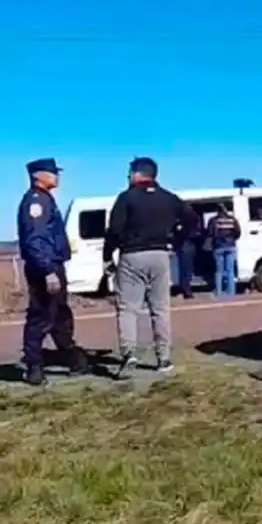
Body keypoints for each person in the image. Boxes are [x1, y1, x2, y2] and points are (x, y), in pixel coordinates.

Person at [103, 156, 199, 380]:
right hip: (160, 254)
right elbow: (192, 220)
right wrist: (176, 239)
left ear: (138, 174)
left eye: (129, 172)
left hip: (132, 255)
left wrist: (108, 256)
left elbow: (114, 230)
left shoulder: (126, 198)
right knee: (160, 309)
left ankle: (129, 355)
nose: (127, 177)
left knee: (128, 308)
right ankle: (163, 358)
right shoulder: (169, 198)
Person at [16, 158, 90, 385]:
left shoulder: (46, 200)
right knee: (41, 317)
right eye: (52, 173)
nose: (57, 177)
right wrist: (48, 270)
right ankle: (34, 366)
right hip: (44, 267)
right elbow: (35, 240)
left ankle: (74, 358)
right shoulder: (36, 203)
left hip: (52, 263)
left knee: (59, 315)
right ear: (39, 175)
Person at [207, 204, 241, 296]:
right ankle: (231, 292)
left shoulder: (214, 220)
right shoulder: (232, 219)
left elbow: (210, 233)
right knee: (230, 271)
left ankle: (218, 292)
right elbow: (238, 232)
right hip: (231, 246)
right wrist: (232, 239)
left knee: (219, 271)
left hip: (218, 247)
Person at [172, 207, 203, 300]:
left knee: (184, 269)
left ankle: (185, 289)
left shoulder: (178, 223)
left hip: (183, 246)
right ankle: (186, 290)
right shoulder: (193, 223)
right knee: (187, 270)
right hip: (188, 246)